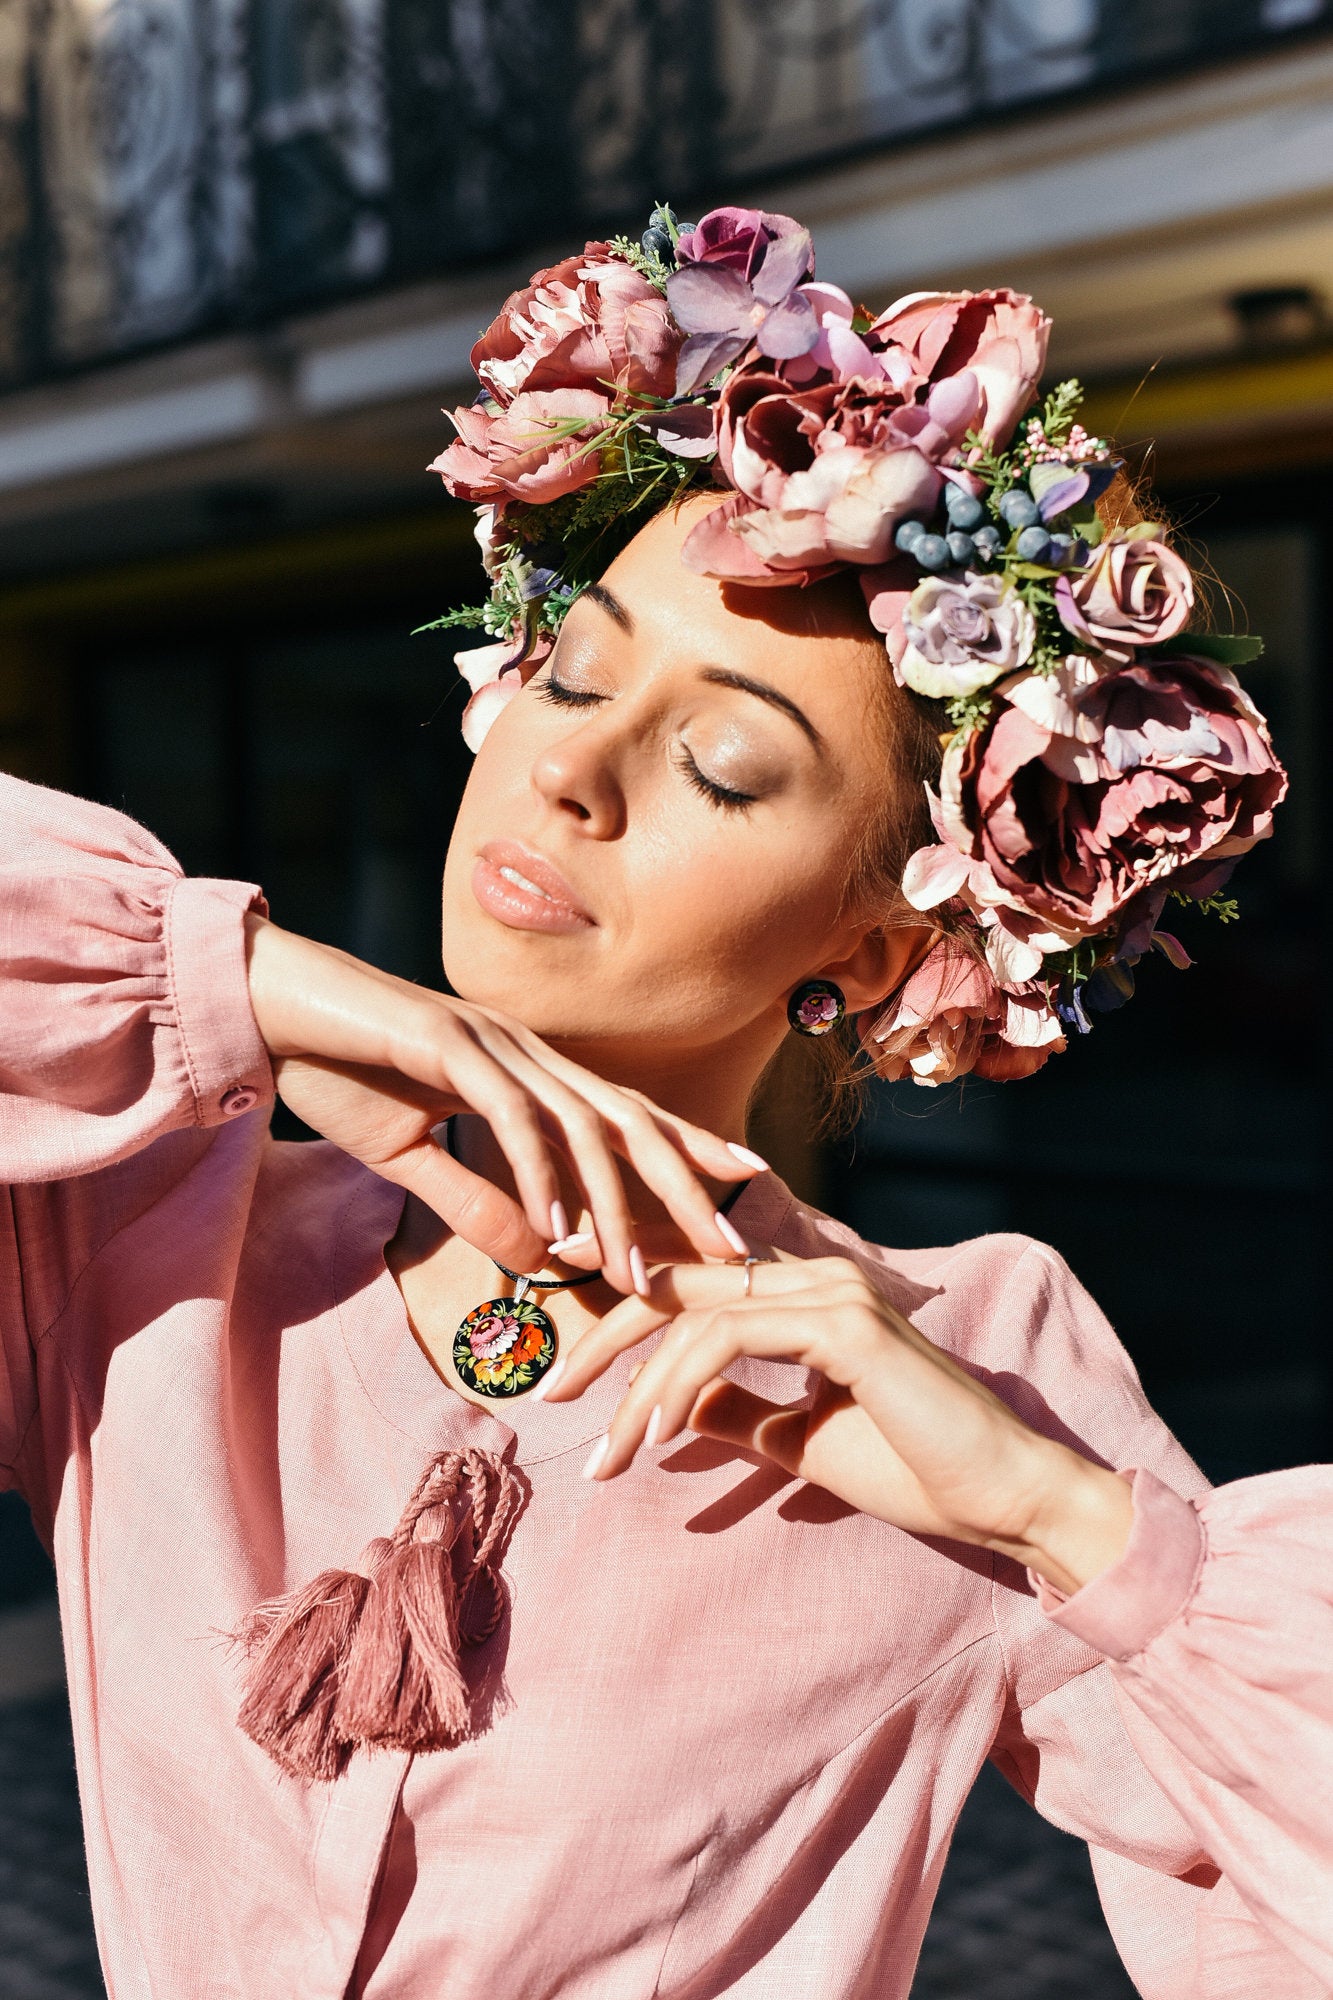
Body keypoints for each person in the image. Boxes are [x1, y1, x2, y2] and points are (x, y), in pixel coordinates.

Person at [1, 202, 1328, 2000]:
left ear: (865, 953)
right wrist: (226, 981)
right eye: (572, 668)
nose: (572, 771)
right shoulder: (156, 1228)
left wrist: (1065, 1524)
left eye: (718, 764)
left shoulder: (972, 1358)